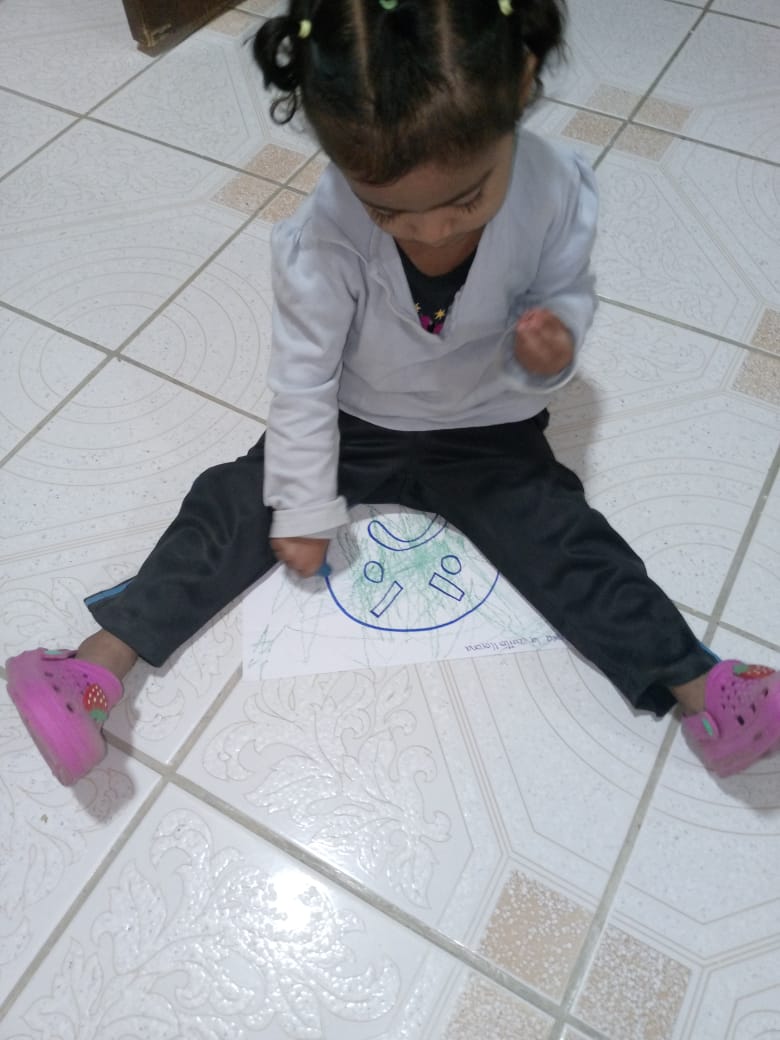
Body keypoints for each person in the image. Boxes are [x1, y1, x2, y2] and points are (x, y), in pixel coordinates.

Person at [5, 0, 779, 786]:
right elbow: (303, 378)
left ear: (520, 83)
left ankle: (705, 691)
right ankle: (92, 668)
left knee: (568, 538)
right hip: (356, 420)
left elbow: (566, 296)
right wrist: (303, 502)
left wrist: (554, 346)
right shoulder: (318, 235)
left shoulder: (559, 192)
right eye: (387, 211)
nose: (431, 233)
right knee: (233, 503)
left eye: (466, 200)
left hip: (489, 428)